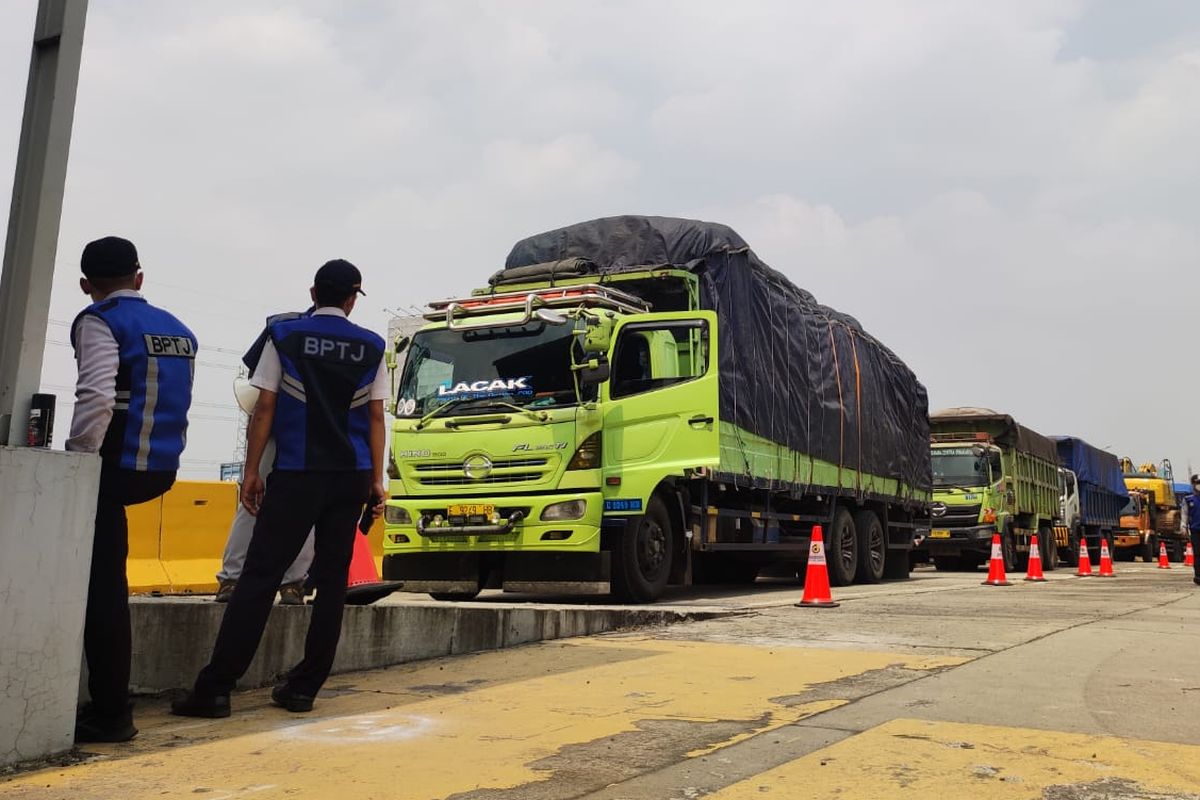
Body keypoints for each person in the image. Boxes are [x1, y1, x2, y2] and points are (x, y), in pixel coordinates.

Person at [172, 259, 386, 718]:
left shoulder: (285, 336)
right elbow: (374, 416)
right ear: (352, 298)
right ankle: (305, 687)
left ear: (313, 292)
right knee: (331, 584)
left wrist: (251, 471)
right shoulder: (372, 346)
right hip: (349, 476)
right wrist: (375, 481)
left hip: (297, 472)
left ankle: (216, 688)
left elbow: (264, 408)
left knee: (260, 576)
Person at [67, 236, 197, 743]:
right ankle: (108, 705)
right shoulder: (180, 330)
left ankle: (111, 712)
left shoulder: (98, 320)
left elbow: (96, 395)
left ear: (85, 286)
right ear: (139, 277)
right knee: (107, 581)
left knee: (102, 592)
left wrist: (77, 465)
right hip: (159, 469)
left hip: (111, 467)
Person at [214, 310, 317, 606]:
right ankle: (292, 585)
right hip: (313, 435)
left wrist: (251, 467)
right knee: (306, 508)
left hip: (274, 428)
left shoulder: (281, 328)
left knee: (252, 503)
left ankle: (232, 580)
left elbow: (260, 395)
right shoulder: (344, 338)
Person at [1184, 474, 1200, 586]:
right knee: (1198, 554)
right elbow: (1184, 514)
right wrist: (1183, 527)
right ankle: (1198, 575)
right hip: (1195, 531)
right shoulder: (1188, 499)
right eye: (1197, 483)